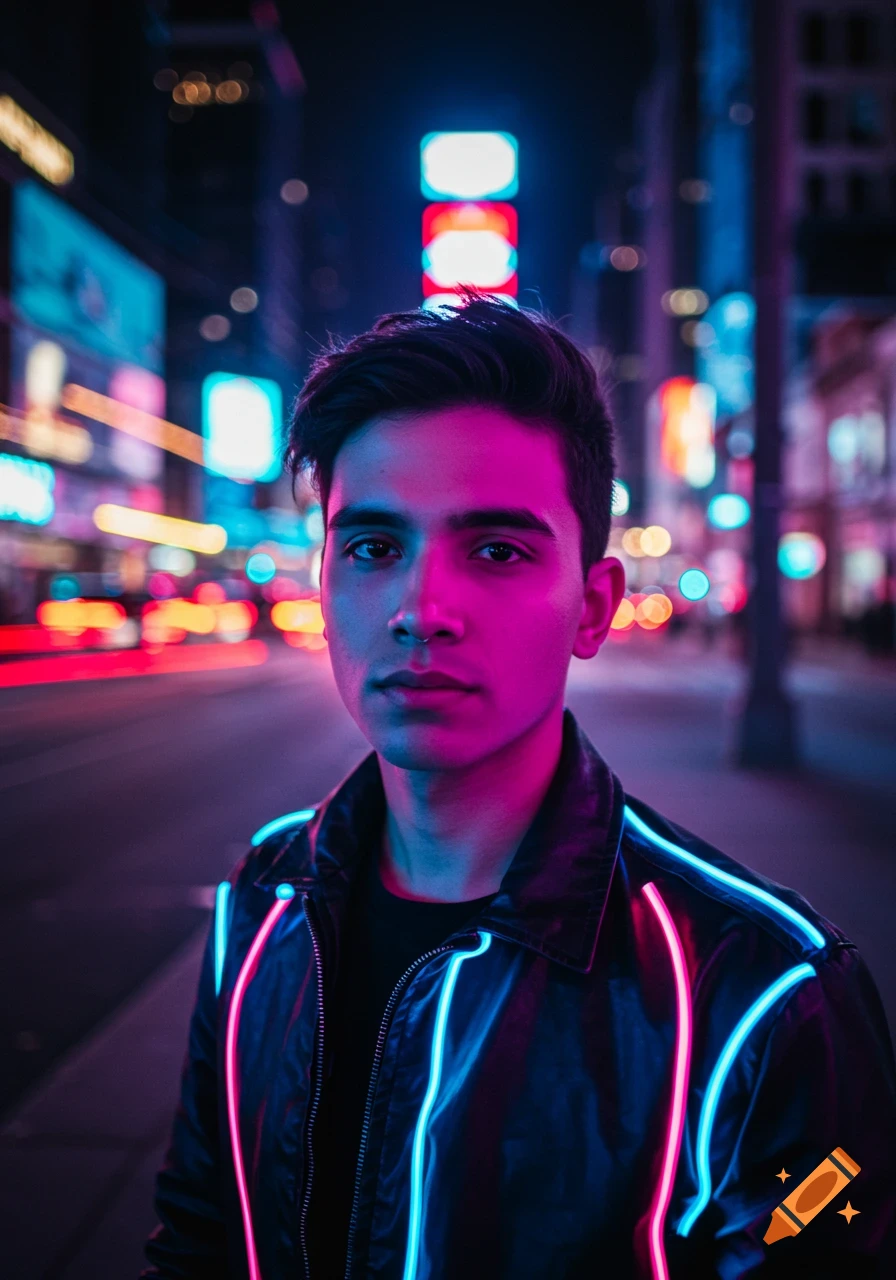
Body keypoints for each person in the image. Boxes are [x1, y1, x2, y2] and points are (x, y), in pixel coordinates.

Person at [142, 290, 896, 1279]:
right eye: (373, 547)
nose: (419, 609)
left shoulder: (760, 985)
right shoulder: (266, 895)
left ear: (590, 607)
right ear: (322, 580)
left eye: (494, 550)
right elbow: (201, 1232)